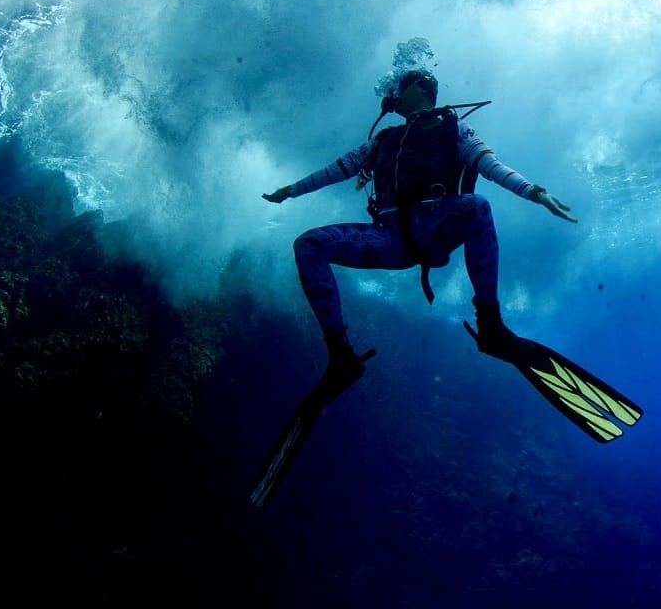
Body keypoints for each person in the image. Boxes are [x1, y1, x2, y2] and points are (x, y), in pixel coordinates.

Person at [249, 68, 640, 508]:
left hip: (435, 227)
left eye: (400, 87)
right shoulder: (380, 142)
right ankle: (340, 356)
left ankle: (491, 326)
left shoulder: (456, 130)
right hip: (390, 239)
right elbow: (335, 170)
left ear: (421, 89)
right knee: (309, 245)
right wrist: (290, 191)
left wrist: (535, 192)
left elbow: (490, 167)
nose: (392, 94)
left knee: (476, 206)